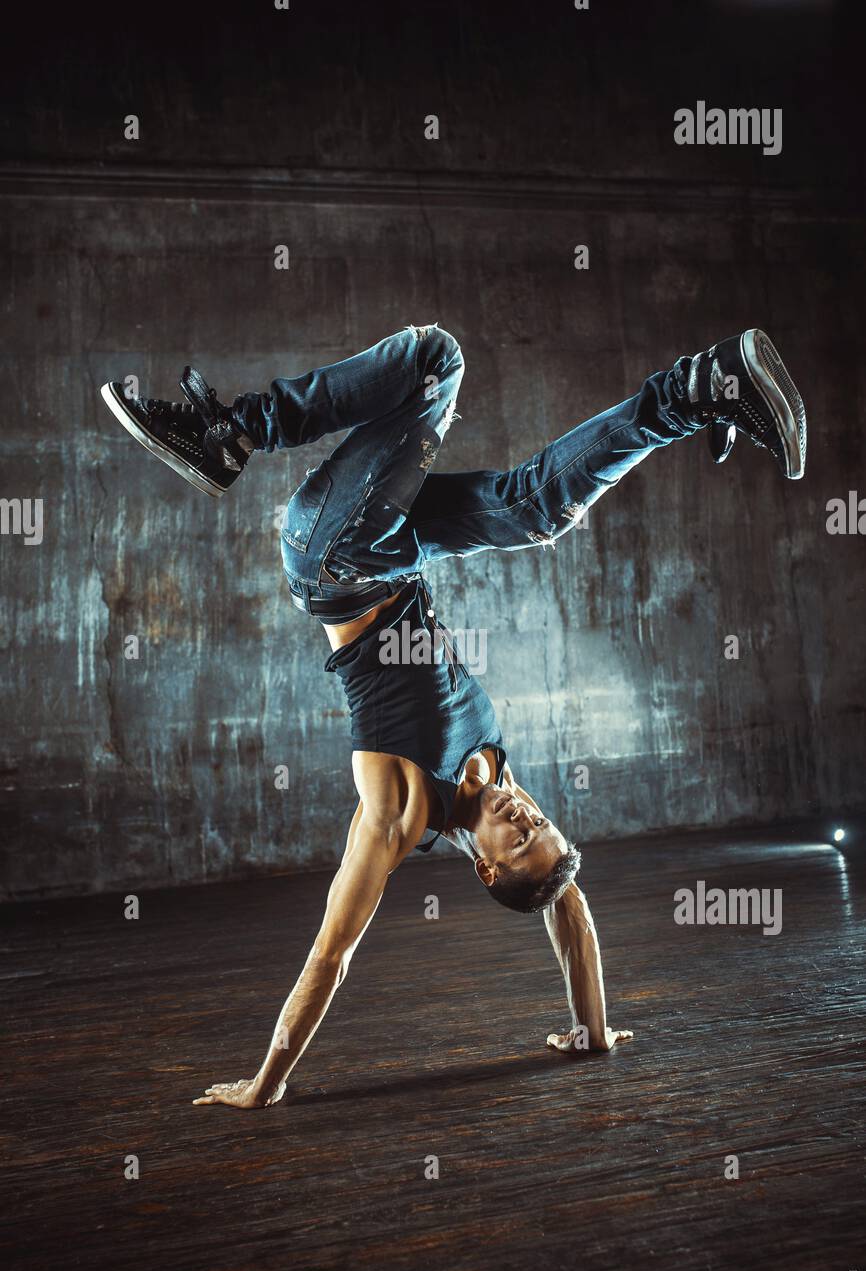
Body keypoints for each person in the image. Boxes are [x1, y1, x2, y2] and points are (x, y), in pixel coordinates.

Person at [101, 322, 806, 1108]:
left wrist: (267, 1082)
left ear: (486, 866)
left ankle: (230, 434)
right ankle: (698, 393)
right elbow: (569, 915)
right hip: (399, 552)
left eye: (519, 835)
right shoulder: (499, 782)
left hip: (337, 560)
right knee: (538, 509)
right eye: (542, 821)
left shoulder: (400, 809)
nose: (525, 813)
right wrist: (594, 1032)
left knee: (436, 359)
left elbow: (331, 955)